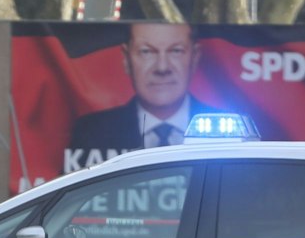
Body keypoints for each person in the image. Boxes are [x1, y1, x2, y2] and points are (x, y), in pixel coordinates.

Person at [67, 21, 218, 159]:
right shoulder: (92, 132)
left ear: (195, 57)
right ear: (126, 59)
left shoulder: (224, 129)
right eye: (147, 52)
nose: (162, 67)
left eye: (176, 51)